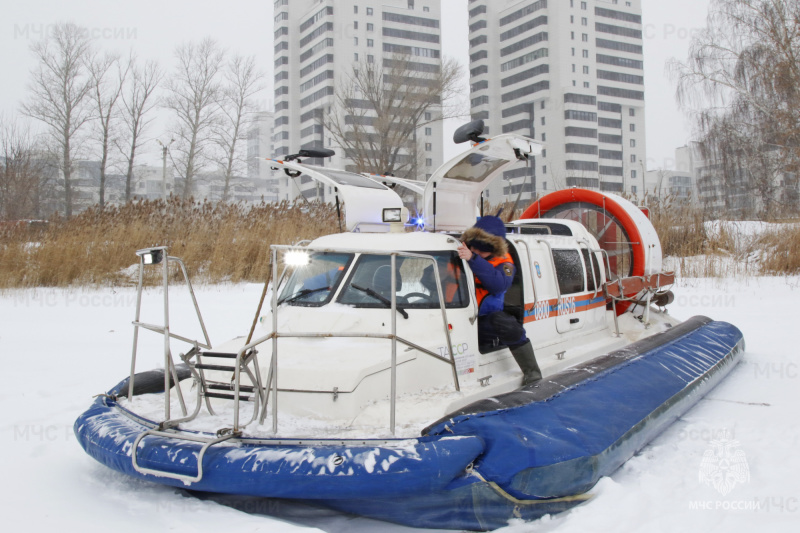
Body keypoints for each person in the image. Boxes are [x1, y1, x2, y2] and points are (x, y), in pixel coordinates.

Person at [457, 215, 542, 385]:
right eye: (475, 248)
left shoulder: (506, 265)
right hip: (458, 315)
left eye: (483, 250)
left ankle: (532, 373)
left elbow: (498, 285)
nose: (478, 253)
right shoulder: (458, 257)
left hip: (485, 319)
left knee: (508, 326)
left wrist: (474, 260)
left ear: (495, 249)